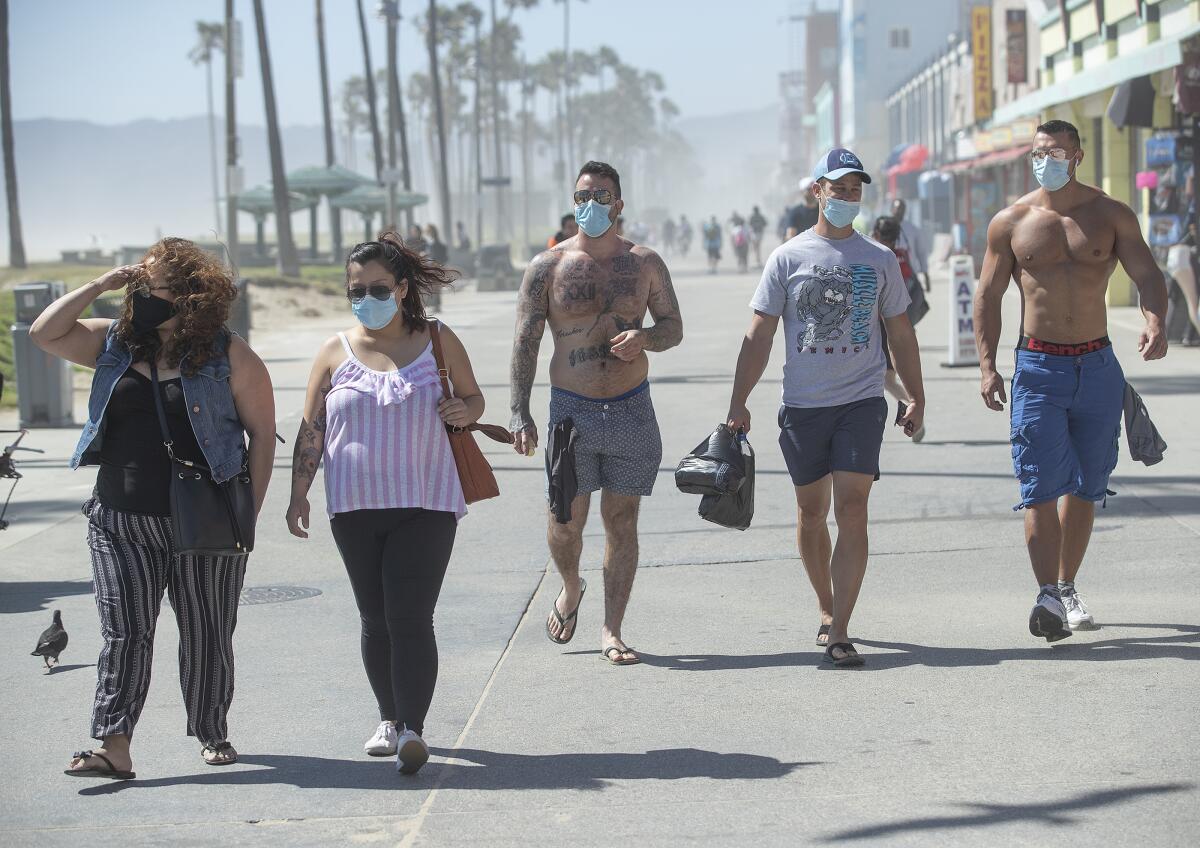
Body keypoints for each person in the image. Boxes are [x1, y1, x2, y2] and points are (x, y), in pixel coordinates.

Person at [29, 237, 276, 778]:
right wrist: (101, 285)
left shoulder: (228, 354)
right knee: (124, 631)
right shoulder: (113, 344)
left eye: (153, 285)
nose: (141, 294)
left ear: (190, 293)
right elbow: (43, 333)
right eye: (137, 284)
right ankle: (113, 745)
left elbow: (262, 435)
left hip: (203, 521)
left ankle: (212, 730)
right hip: (119, 519)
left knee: (207, 629)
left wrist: (248, 514)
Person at [286, 233, 480, 775]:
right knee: (375, 617)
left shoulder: (437, 339)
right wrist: (298, 493)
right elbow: (311, 429)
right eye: (355, 290)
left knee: (411, 616)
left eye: (376, 288)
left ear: (400, 288)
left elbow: (473, 396)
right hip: (353, 507)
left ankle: (413, 729)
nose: (365, 298)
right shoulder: (333, 352)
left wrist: (463, 412)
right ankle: (389, 718)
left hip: (426, 502)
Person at [726, 149, 925, 668]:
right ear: (818, 191)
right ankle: (824, 606)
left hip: (860, 402)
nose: (847, 197)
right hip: (803, 406)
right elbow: (759, 334)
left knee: (852, 508)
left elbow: (901, 333)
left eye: (855, 189)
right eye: (838, 188)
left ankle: (841, 629)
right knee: (811, 514)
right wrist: (738, 402)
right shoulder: (787, 258)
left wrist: (915, 395)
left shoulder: (879, 259)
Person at [974, 120, 1168, 641]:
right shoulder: (1011, 221)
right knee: (1040, 486)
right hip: (1038, 368)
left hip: (1098, 366)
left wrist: (1155, 319)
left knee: (1086, 487)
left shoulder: (1110, 214)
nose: (1045, 160)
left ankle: (1066, 586)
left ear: (1077, 156)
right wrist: (989, 366)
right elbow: (988, 295)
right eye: (1038, 152)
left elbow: (1147, 274)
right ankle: (1047, 597)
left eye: (1055, 151)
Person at [508, 160, 683, 666]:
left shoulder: (645, 262)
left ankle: (612, 629)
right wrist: (519, 411)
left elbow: (673, 326)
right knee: (566, 520)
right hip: (570, 410)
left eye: (600, 196)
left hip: (631, 406)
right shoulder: (548, 266)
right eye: (582, 196)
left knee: (621, 521)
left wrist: (646, 337)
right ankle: (570, 585)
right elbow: (526, 341)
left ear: (619, 204)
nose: (590, 204)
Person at [872, 215, 929, 442]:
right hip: (902, 325)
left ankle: (914, 412)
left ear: (876, 235)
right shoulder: (901, 257)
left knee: (886, 379)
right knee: (889, 378)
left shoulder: (876, 256)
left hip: (884, 327)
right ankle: (914, 410)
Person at [892, 198, 931, 292]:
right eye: (896, 208)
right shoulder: (884, 227)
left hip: (909, 276)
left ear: (905, 211)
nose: (898, 211)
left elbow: (921, 253)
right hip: (890, 277)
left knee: (913, 303)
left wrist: (926, 275)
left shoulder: (913, 230)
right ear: (891, 209)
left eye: (901, 209)